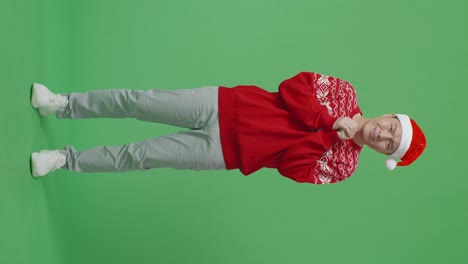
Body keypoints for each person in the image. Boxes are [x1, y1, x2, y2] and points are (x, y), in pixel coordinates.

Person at [30, 72, 426, 184]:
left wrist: (328, 136)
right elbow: (293, 89)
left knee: (140, 156)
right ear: (390, 115)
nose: (384, 134)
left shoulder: (343, 167)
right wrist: (328, 118)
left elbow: (290, 166)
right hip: (224, 103)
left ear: (381, 153)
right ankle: (63, 104)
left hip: (223, 154)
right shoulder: (343, 92)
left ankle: (63, 161)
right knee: (140, 100)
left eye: (389, 143)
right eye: (392, 127)